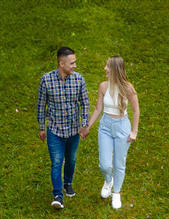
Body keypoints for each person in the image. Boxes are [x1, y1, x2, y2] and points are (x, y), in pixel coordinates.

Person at [36, 47, 90, 210]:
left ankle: (68, 183)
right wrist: (41, 127)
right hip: (55, 130)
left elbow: (85, 103)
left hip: (73, 130)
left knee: (71, 159)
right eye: (72, 63)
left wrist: (84, 124)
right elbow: (41, 104)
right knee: (57, 162)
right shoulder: (46, 80)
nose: (75, 65)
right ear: (61, 63)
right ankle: (58, 195)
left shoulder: (79, 79)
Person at [86, 56, 140, 210]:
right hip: (105, 126)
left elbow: (136, 111)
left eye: (107, 66)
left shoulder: (128, 88)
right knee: (104, 164)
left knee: (119, 163)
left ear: (115, 69)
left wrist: (134, 131)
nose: (104, 68)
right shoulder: (103, 86)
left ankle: (116, 192)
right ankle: (108, 181)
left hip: (122, 127)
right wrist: (88, 126)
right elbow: (98, 109)